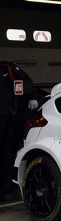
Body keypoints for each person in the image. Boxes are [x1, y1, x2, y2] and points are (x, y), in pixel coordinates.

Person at [0, 65, 16, 201]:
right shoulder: (5, 71)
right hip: (7, 113)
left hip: (4, 113)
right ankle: (6, 190)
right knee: (6, 153)